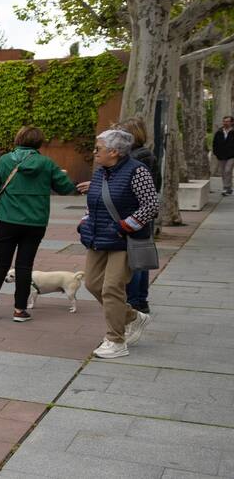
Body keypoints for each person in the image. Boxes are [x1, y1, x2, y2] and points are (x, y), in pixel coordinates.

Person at [0, 126, 78, 321]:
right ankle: (19, 310)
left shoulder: (5, 160)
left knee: (0, 264)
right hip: (35, 222)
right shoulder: (47, 163)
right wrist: (62, 174)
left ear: (18, 139)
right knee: (25, 266)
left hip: (7, 219)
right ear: (39, 143)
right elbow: (66, 188)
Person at [77, 129, 157, 359]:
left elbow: (151, 205)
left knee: (111, 288)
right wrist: (84, 222)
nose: (94, 153)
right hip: (97, 237)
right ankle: (133, 317)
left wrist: (125, 226)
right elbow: (93, 202)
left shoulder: (137, 171)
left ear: (113, 152)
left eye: (98, 148)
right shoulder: (101, 172)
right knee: (92, 283)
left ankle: (116, 340)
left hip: (124, 240)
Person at [115, 118, 159, 314]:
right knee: (140, 257)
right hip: (140, 214)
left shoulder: (137, 158)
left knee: (134, 260)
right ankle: (140, 299)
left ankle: (135, 300)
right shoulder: (145, 155)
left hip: (134, 214)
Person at [214, 115, 234, 196]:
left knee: (227, 170)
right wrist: (216, 153)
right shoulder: (219, 132)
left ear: (232, 122)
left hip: (231, 155)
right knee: (223, 172)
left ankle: (226, 188)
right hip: (221, 155)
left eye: (227, 121)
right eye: (224, 121)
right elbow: (214, 143)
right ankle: (228, 188)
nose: (225, 123)